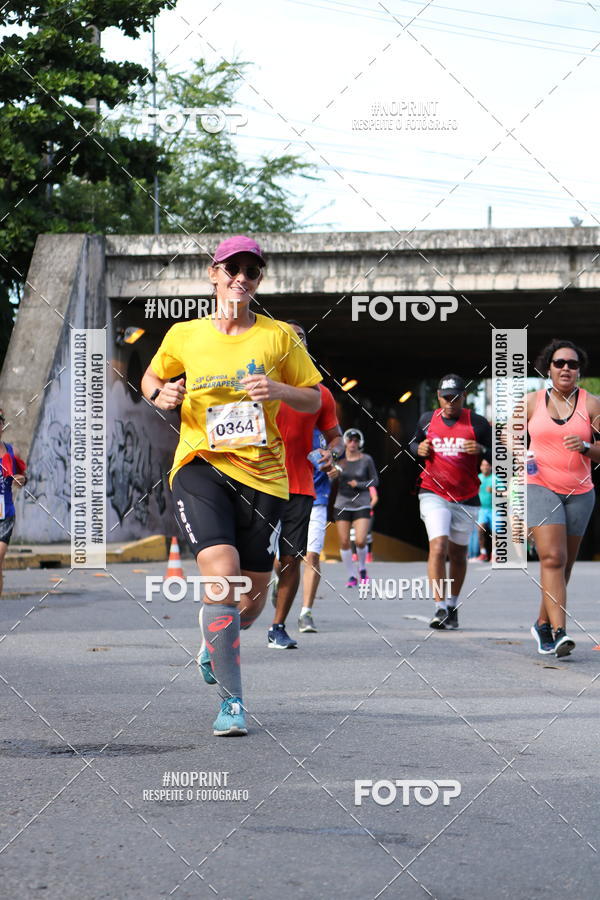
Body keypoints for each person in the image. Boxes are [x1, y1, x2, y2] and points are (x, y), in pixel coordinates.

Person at [141, 236, 322, 736]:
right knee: (220, 578)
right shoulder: (185, 334)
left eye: (252, 271)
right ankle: (232, 702)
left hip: (263, 476)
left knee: (250, 602)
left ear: (259, 280)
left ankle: (214, 641)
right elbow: (151, 378)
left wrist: (279, 389)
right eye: (232, 268)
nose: (241, 277)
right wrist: (161, 395)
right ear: (214, 273)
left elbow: (313, 399)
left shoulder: (278, 337)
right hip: (200, 466)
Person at [269, 322, 343, 648]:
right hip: (260, 481)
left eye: (301, 340)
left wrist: (331, 454)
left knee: (294, 557)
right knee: (260, 560)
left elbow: (336, 438)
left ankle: (280, 625)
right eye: (288, 339)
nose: (295, 344)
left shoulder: (320, 394)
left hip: (303, 486)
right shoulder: (261, 385)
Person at [527, 340, 600, 658]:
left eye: (572, 364)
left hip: (580, 493)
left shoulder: (592, 405)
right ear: (549, 368)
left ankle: (542, 623)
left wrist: (585, 447)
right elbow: (506, 438)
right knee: (553, 558)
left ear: (579, 370)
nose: (566, 368)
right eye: (559, 363)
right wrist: (518, 454)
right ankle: (560, 632)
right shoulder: (531, 402)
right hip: (539, 486)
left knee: (564, 564)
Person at [409, 375, 492, 629]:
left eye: (455, 397)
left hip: (466, 497)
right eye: (446, 397)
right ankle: (439, 607)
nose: (450, 402)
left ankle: (452, 605)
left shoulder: (477, 423)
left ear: (463, 396)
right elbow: (413, 443)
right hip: (433, 492)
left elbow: (501, 454)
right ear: (438, 396)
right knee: (438, 546)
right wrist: (418, 449)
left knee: (458, 554)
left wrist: (482, 450)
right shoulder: (427, 419)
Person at [298, 429, 334, 634]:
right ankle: (278, 579)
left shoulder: (327, 428)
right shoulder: (283, 417)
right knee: (282, 560)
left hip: (318, 498)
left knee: (312, 556)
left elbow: (338, 451)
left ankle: (306, 612)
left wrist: (335, 467)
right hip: (289, 496)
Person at [333, 428, 379, 587]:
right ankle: (352, 575)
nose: (353, 443)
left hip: (362, 503)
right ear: (345, 442)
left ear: (360, 443)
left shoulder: (366, 460)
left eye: (356, 440)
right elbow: (330, 478)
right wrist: (332, 474)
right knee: (344, 541)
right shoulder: (339, 461)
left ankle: (363, 569)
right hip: (342, 503)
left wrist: (359, 484)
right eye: (350, 440)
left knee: (360, 540)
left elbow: (375, 480)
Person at [0, 409, 27, 596]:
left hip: (5, 516)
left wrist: (21, 480)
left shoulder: (12, 451)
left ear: (3, 426)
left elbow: (22, 477)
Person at [476, 459, 493, 561]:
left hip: (494, 509)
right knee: (480, 529)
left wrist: (494, 490)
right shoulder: (477, 478)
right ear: (480, 467)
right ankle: (483, 553)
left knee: (496, 532)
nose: (485, 467)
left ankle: (495, 554)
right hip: (481, 509)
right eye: (483, 465)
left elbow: (505, 491)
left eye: (487, 465)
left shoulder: (495, 478)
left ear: (490, 467)